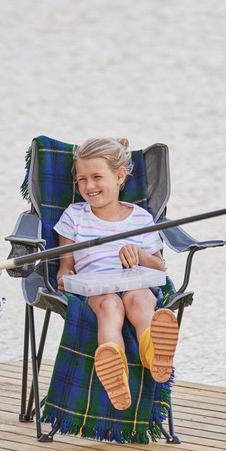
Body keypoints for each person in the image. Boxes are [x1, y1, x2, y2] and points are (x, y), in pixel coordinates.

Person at [54, 137, 179, 410]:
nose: (89, 186)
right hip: (97, 289)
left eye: (97, 177)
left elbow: (160, 269)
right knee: (110, 306)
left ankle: (155, 354)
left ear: (120, 176)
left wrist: (140, 254)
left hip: (136, 283)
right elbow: (65, 267)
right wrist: (64, 279)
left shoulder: (141, 218)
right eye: (82, 179)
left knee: (141, 301)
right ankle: (115, 373)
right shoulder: (74, 216)